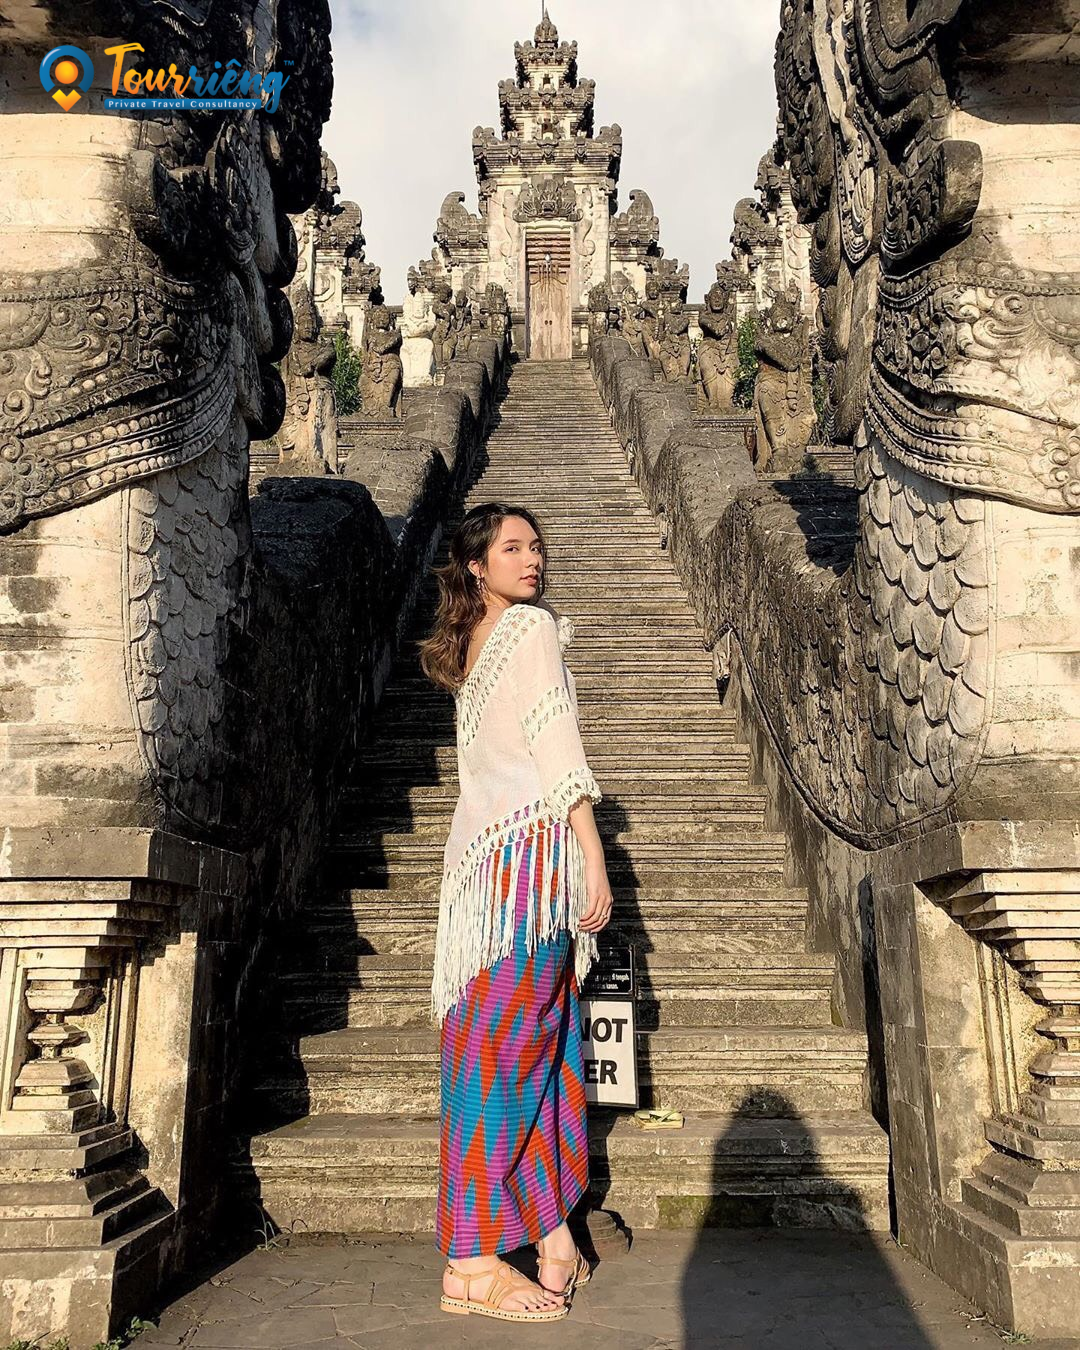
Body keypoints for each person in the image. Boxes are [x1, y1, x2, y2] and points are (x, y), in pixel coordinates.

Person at [417, 501, 613, 1323]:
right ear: (476, 565)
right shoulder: (529, 629)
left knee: (534, 1055)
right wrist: (593, 854)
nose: (531, 559)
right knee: (504, 1064)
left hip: (481, 885)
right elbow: (555, 744)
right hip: (526, 873)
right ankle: (470, 1261)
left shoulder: (473, 643)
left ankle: (552, 1236)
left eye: (535, 546)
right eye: (511, 548)